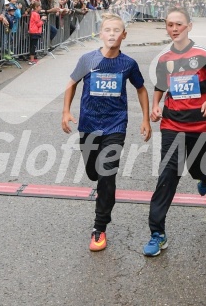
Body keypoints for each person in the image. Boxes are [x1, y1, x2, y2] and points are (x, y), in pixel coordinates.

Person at [143, 7, 206, 257]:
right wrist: (156, 105)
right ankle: (157, 233)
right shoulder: (163, 58)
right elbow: (160, 85)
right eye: (170, 24)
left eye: (179, 24)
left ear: (189, 26)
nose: (174, 29)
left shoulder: (204, 54)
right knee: (167, 176)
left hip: (202, 124)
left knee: (196, 166)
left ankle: (204, 175)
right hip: (172, 124)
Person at [61, 13, 151, 251]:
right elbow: (72, 83)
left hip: (115, 126)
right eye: (107, 30)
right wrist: (66, 112)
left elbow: (141, 89)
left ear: (124, 35)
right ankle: (101, 189)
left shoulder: (128, 64)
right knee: (93, 173)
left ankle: (99, 228)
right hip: (89, 124)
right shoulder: (87, 59)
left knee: (106, 175)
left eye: (116, 30)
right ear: (101, 34)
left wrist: (145, 119)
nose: (112, 34)